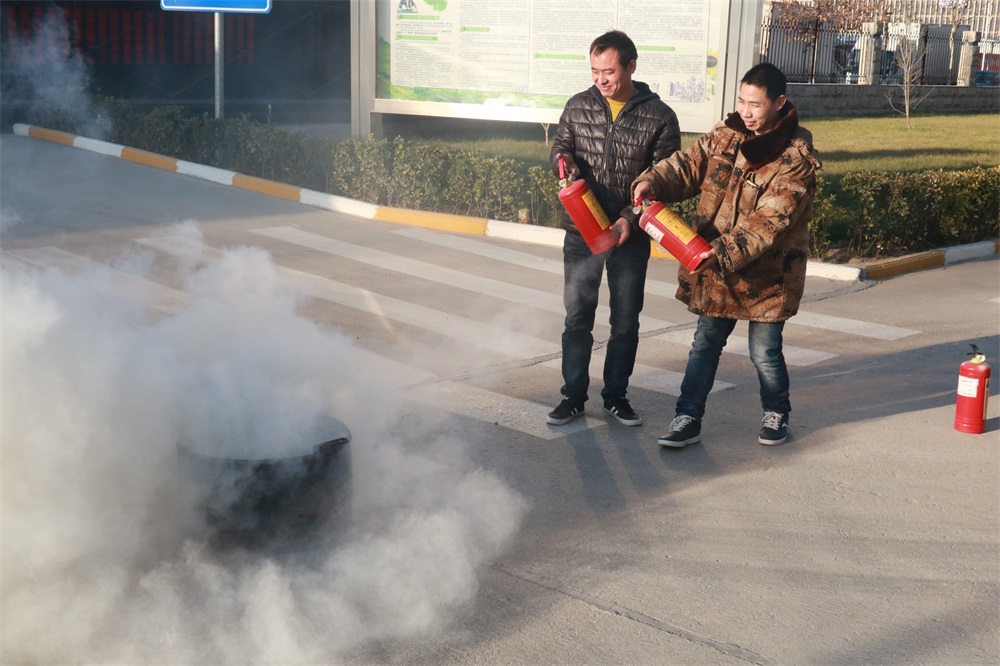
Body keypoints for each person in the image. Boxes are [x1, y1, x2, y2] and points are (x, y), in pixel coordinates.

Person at [631, 62, 821, 447]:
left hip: (767, 277)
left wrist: (718, 251)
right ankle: (687, 417)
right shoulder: (726, 135)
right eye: (741, 100)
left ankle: (776, 412)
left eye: (755, 104)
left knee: (764, 351)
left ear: (779, 102)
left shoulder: (795, 159)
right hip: (716, 270)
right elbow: (687, 165)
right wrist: (653, 180)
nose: (746, 111)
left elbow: (769, 222)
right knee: (705, 343)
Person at [546, 30, 681, 427]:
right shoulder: (578, 106)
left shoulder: (659, 117)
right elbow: (560, 146)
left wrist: (628, 217)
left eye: (608, 71)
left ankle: (616, 395)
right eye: (594, 71)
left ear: (631, 66)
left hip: (629, 236)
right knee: (577, 317)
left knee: (625, 321)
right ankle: (572, 395)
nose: (600, 79)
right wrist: (562, 162)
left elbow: (663, 179)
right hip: (581, 231)